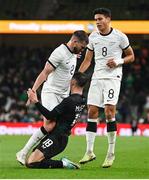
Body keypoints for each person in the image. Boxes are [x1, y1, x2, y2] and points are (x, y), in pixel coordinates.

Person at [16, 30, 89, 165]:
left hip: (64, 94)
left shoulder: (73, 52)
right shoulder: (59, 53)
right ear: (75, 42)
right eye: (82, 47)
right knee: (50, 124)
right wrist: (33, 91)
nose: (82, 51)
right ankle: (23, 152)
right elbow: (45, 73)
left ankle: (42, 155)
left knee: (57, 127)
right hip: (51, 92)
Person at [79, 8, 135, 168]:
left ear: (108, 19)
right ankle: (89, 151)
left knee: (110, 111)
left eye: (100, 19)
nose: (97, 22)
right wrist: (77, 76)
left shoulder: (120, 36)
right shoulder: (93, 37)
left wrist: (118, 62)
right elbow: (88, 60)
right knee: (92, 111)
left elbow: (131, 56)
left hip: (112, 78)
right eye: (95, 19)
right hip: (97, 78)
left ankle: (111, 153)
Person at [25, 72, 88, 169]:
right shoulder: (83, 100)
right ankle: (60, 163)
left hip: (56, 138)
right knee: (32, 160)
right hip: (61, 138)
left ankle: (63, 163)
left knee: (31, 162)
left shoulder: (69, 101)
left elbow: (49, 116)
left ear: (73, 82)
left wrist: (36, 101)